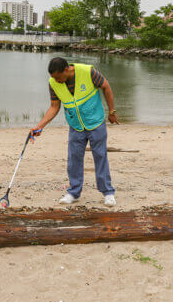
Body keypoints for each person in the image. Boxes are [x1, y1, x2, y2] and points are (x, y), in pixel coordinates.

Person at [31, 57, 119, 207]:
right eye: (53, 78)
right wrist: (40, 126)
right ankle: (73, 192)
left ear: (67, 70)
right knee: (74, 159)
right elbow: (54, 106)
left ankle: (108, 193)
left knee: (100, 156)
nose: (56, 80)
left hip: (95, 122)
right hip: (76, 126)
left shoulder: (88, 72)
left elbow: (106, 87)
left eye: (58, 77)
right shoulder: (53, 83)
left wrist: (112, 111)